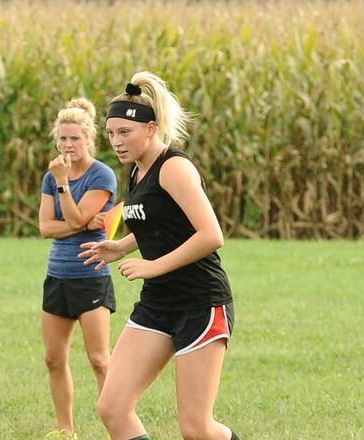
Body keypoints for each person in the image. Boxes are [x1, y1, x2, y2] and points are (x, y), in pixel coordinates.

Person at [78, 72, 241, 440]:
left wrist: (153, 265)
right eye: (111, 134)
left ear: (151, 129)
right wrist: (122, 246)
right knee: (113, 407)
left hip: (200, 302)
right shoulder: (138, 171)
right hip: (158, 303)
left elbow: (211, 235)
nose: (116, 142)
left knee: (197, 429)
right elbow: (161, 223)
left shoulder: (174, 168)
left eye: (125, 133)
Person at [38, 98, 118, 439]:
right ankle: (65, 431)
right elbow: (45, 227)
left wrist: (63, 186)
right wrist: (83, 224)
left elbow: (68, 217)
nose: (68, 145)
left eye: (75, 139)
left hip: (91, 274)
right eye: (63, 139)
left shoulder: (102, 175)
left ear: (89, 139)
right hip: (58, 274)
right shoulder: (51, 175)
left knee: (100, 360)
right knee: (53, 360)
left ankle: (119, 427)